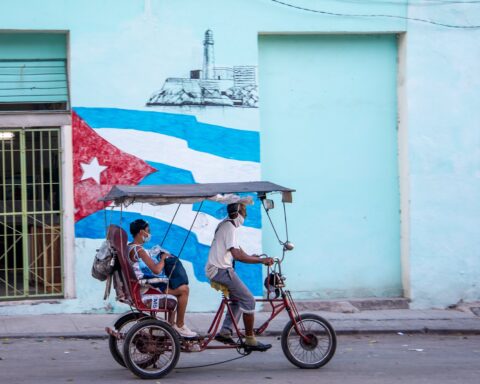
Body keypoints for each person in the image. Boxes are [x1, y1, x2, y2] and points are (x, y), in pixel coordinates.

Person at [205, 202, 274, 351]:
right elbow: (237, 255)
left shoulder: (225, 224)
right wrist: (261, 260)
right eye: (244, 214)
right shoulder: (230, 227)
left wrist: (254, 258)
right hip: (221, 270)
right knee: (249, 300)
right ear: (238, 214)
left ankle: (225, 331)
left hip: (217, 269)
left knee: (237, 300)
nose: (244, 217)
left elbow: (239, 251)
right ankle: (250, 340)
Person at [128, 218, 197, 338]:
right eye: (147, 231)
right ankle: (179, 325)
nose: (149, 234)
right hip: (146, 287)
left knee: (176, 287)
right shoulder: (139, 250)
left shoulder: (130, 247)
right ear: (140, 232)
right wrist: (163, 259)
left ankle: (171, 325)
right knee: (184, 289)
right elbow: (156, 269)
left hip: (139, 285)